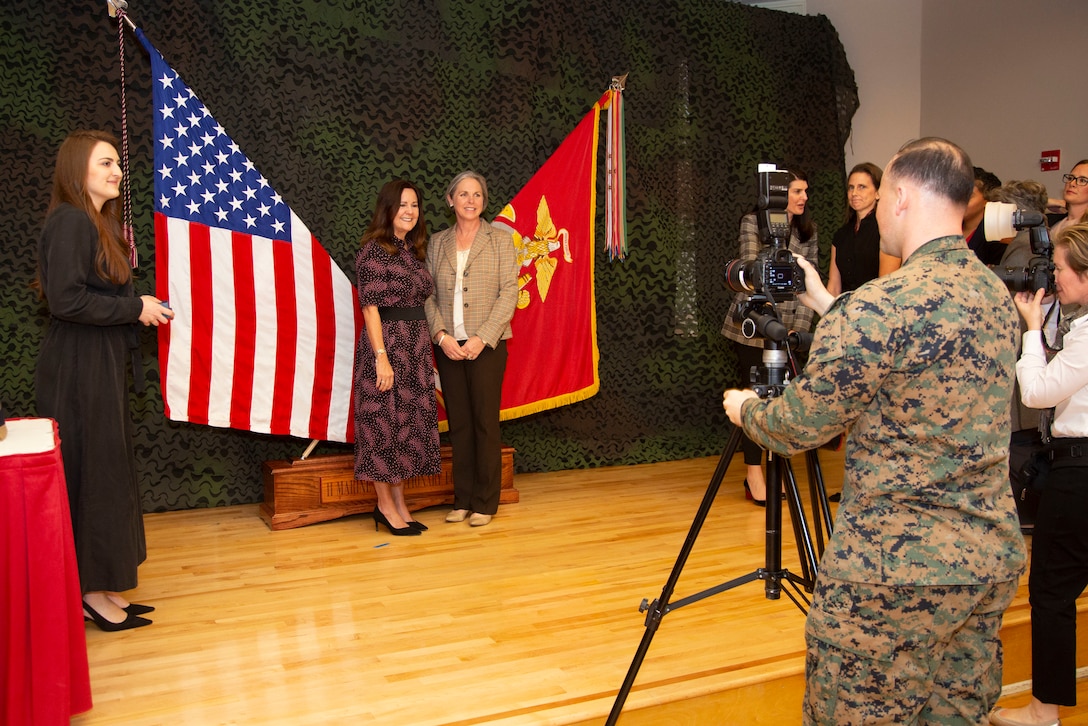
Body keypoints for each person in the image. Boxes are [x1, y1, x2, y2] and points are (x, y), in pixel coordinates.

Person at [723, 137, 1027, 724]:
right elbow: (917, 347)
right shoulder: (992, 293)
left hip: (895, 576)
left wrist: (745, 411)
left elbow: (795, 426)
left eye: (882, 192)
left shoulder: (880, 307)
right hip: (987, 557)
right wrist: (817, 295)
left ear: (902, 197)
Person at [35, 130, 174, 631]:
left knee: (104, 472)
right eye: (105, 163)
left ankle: (101, 584)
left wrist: (137, 309)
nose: (117, 171)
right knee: (91, 474)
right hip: (78, 367)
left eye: (118, 162)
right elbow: (66, 301)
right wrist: (135, 308)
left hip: (97, 361)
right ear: (78, 170)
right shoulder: (71, 221)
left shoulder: (92, 223)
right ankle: (90, 593)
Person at [988, 223, 1088, 726]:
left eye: (1065, 270)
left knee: (1052, 591)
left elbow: (1037, 392)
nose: (1058, 279)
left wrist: (1030, 328)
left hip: (1079, 473)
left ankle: (1043, 712)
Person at [424, 170, 518, 527]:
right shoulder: (437, 243)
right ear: (451, 200)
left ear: (484, 200)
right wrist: (442, 336)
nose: (470, 200)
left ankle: (484, 502)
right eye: (463, 194)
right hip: (449, 347)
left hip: (487, 346)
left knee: (484, 424)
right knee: (459, 425)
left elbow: (509, 292)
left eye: (476, 194)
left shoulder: (500, 241)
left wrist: (483, 337)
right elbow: (427, 295)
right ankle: (461, 499)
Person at [720, 168, 819, 505]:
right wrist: (768, 321)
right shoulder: (753, 222)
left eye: (806, 191)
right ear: (777, 196)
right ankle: (753, 475)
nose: (803, 197)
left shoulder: (808, 231)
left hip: (791, 329)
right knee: (754, 400)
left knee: (784, 403)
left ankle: (778, 472)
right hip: (754, 324)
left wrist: (799, 329)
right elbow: (752, 271)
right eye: (796, 191)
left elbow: (811, 282)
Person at [354, 179, 442, 537]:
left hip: (416, 348)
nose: (410, 211)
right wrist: (381, 357)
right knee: (381, 427)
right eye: (403, 204)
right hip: (386, 346)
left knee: (405, 429)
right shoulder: (373, 251)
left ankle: (401, 505)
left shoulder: (412, 250)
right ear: (388, 209)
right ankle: (385, 507)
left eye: (415, 205)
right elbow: (370, 308)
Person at [827, 162, 900, 296]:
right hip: (844, 311)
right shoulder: (841, 235)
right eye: (851, 187)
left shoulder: (887, 232)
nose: (854, 193)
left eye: (862, 187)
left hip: (876, 310)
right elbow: (833, 288)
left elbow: (886, 288)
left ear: (878, 192)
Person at [965, 165, 1005, 264]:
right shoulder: (945, 228)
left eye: (969, 196)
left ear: (987, 200)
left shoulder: (997, 237)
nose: (960, 201)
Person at [1049, 159, 1088, 240]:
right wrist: (1047, 202)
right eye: (1070, 178)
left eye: (1082, 180)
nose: (1072, 183)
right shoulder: (1053, 222)